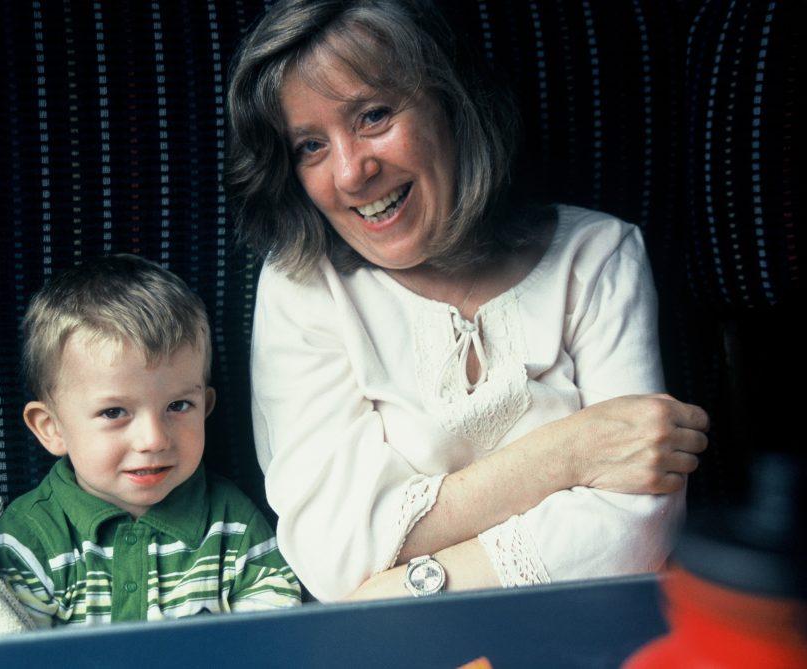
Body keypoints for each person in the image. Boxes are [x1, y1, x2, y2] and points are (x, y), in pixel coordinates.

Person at [226, 0, 710, 602]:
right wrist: (569, 452)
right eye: (310, 146)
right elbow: (335, 552)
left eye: (373, 116)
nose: (351, 173)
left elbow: (636, 531)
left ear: (454, 104)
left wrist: (400, 589)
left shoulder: (600, 257)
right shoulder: (303, 284)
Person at [0, 255, 301, 626]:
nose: (153, 439)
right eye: (114, 412)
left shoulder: (232, 524)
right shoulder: (29, 538)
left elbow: (274, 634)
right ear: (51, 427)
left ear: (205, 407)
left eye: (178, 405)